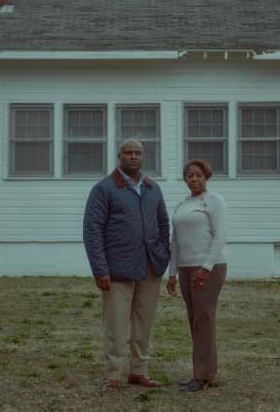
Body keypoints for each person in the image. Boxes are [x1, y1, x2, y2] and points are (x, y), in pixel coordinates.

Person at [83, 138, 171, 391]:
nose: (133, 156)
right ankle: (113, 375)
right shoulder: (105, 189)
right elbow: (92, 231)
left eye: (138, 153)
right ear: (119, 156)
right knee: (116, 326)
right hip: (117, 271)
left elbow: (163, 225)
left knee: (143, 325)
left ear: (143, 158)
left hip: (150, 269)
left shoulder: (153, 188)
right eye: (128, 152)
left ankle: (138, 372)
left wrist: (162, 257)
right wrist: (100, 269)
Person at [166, 158, 228, 392]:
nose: (194, 179)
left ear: (206, 177)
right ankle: (205, 372)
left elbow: (220, 236)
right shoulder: (182, 204)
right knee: (195, 320)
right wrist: (172, 273)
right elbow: (175, 242)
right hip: (185, 268)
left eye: (198, 175)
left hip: (208, 268)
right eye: (190, 175)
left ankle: (201, 376)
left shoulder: (214, 201)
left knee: (203, 320)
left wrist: (206, 268)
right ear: (185, 180)